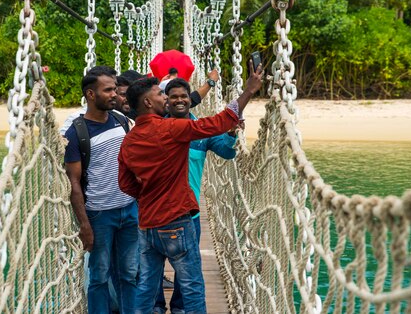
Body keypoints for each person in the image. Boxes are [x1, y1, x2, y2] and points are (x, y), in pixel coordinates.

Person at [118, 64, 263, 314]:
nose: (165, 97)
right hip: (177, 221)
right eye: (160, 94)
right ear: (148, 102)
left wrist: (150, 194)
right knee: (192, 287)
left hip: (147, 224)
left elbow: (126, 184)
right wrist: (248, 91)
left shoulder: (129, 140)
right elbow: (218, 122)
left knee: (145, 287)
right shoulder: (171, 129)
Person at [153, 78, 239, 314]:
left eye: (183, 96)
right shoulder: (156, 128)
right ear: (166, 101)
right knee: (152, 268)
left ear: (190, 100)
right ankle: (157, 307)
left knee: (187, 270)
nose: (179, 100)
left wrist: (231, 134)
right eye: (173, 97)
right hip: (156, 210)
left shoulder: (202, 131)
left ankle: (179, 308)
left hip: (189, 213)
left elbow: (226, 152)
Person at [63, 66, 138, 314]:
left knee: (129, 274)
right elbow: (73, 183)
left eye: (115, 89)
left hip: (129, 210)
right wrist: (84, 225)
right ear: (91, 94)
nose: (115, 94)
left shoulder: (121, 121)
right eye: (108, 90)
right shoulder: (76, 133)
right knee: (99, 276)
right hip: (99, 215)